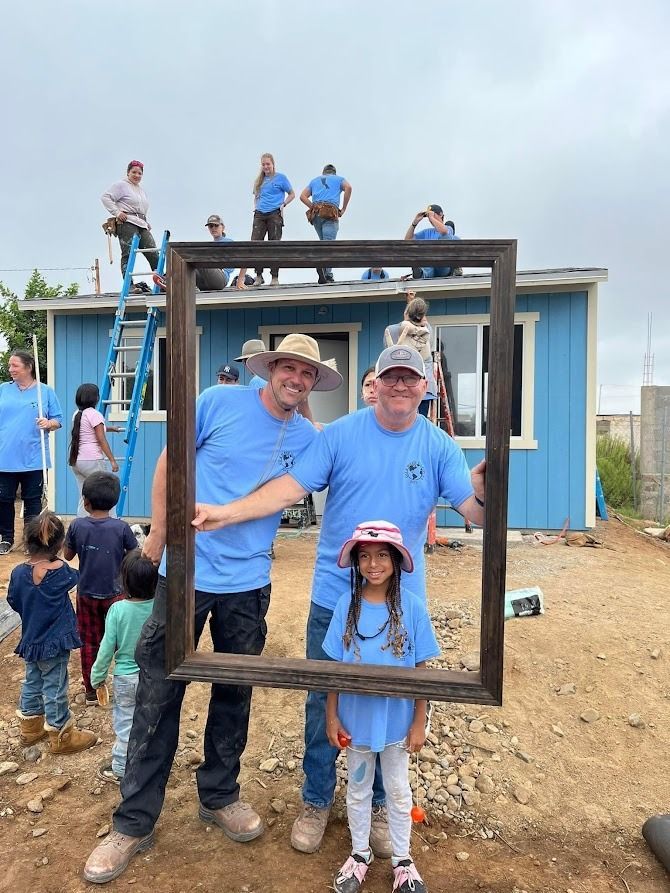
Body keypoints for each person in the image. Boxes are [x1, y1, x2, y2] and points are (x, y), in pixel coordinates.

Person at [191, 343, 485, 856]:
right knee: (322, 700)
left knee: (388, 700)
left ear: (424, 387)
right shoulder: (342, 435)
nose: (399, 385)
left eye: (409, 378)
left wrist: (487, 491)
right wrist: (225, 512)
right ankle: (316, 799)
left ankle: (373, 803)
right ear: (378, 382)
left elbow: (475, 512)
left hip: (400, 605)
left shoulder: (439, 447)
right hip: (335, 599)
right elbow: (286, 490)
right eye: (390, 376)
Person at [83, 333, 341, 885]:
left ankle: (219, 795)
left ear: (314, 383)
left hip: (248, 584)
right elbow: (169, 465)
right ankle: (132, 821)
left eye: (307, 374)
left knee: (234, 693)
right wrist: (155, 543)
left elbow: (299, 491)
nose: (295, 379)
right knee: (157, 691)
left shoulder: (308, 440)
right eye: (288, 368)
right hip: (184, 574)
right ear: (270, 368)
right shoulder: (217, 401)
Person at [325, 521, 438, 893]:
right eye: (365, 556)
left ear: (396, 560)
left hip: (396, 723)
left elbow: (422, 671)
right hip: (355, 722)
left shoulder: (414, 609)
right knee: (357, 788)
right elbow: (334, 670)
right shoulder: (346, 606)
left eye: (382, 555)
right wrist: (332, 715)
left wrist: (420, 720)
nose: (373, 563)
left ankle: (403, 860)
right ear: (356, 562)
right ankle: (359, 853)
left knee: (397, 789)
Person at [8, 512, 98, 755]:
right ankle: (61, 735)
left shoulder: (18, 573)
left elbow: (13, 600)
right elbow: (76, 577)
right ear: (59, 545)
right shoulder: (61, 571)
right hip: (55, 642)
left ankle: (30, 728)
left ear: (27, 541)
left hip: (31, 640)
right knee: (55, 686)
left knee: (32, 682)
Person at [64, 472, 138, 705]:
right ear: (115, 501)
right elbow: (134, 556)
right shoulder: (122, 528)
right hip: (117, 593)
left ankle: (91, 690)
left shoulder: (77, 525)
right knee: (121, 638)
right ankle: (127, 682)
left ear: (85, 501)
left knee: (88, 641)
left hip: (86, 593)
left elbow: (67, 555)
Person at [91, 550, 158, 783]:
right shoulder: (160, 608)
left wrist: (97, 676)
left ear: (125, 580)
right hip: (154, 677)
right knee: (150, 720)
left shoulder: (118, 610)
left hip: (125, 678)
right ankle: (150, 764)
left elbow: (107, 647)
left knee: (125, 723)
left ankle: (120, 768)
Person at [0, 350, 63, 555]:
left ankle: (31, 540)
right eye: (10, 366)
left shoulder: (45, 392)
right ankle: (6, 538)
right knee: (4, 499)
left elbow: (58, 420)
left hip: (34, 458)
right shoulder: (3, 389)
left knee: (33, 501)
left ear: (28, 367)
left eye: (14, 366)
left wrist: (48, 423)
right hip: (5, 456)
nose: (10, 370)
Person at [237, 153, 294, 289]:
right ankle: (258, 275)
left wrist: (284, 204)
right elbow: (256, 196)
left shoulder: (281, 178)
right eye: (263, 164)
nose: (266, 166)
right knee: (256, 244)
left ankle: (274, 276)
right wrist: (256, 207)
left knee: (274, 245)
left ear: (273, 164)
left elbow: (292, 193)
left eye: (268, 164)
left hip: (275, 213)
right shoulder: (259, 180)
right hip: (260, 214)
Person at [101, 161, 159, 293]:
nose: (137, 175)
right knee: (128, 253)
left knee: (153, 252)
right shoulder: (121, 185)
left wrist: (145, 221)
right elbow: (105, 197)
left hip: (141, 223)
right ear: (128, 172)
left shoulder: (140, 190)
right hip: (127, 222)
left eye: (139, 173)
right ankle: (130, 284)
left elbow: (140, 207)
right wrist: (117, 212)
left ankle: (161, 279)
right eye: (134, 172)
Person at [68, 383, 120, 517]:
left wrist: (109, 428)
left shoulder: (77, 414)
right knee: (106, 492)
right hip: (92, 460)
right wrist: (112, 461)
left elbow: (88, 429)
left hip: (76, 461)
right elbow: (101, 439)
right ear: (95, 398)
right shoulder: (95, 414)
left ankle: (81, 525)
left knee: (83, 496)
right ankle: (112, 522)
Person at [383, 294, 437, 418]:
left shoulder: (392, 330)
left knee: (400, 422)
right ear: (422, 316)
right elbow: (419, 319)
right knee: (418, 424)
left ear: (406, 313)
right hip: (423, 386)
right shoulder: (427, 331)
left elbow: (387, 354)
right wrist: (413, 303)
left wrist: (410, 304)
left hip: (399, 385)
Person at [300, 164, 352, 284]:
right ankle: (326, 273)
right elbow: (348, 187)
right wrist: (343, 208)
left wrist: (313, 207)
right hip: (330, 211)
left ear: (324, 173)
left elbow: (302, 196)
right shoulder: (339, 179)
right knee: (329, 245)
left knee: (323, 243)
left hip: (316, 214)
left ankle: (324, 269)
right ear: (334, 173)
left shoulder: (314, 181)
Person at [403, 204, 458, 280]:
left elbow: (444, 232)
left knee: (445, 239)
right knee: (427, 264)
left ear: (441, 215)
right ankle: (420, 273)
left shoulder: (448, 229)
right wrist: (414, 223)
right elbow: (407, 241)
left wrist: (432, 218)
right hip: (430, 266)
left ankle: (422, 271)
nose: (429, 218)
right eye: (428, 216)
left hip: (442, 266)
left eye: (432, 214)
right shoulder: (427, 232)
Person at [196, 215, 235, 291]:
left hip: (221, 277)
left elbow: (245, 258)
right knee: (187, 263)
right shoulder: (210, 245)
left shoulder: (228, 242)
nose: (213, 228)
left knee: (199, 257)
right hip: (205, 282)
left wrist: (240, 280)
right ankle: (170, 282)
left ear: (222, 227)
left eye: (216, 225)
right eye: (211, 226)